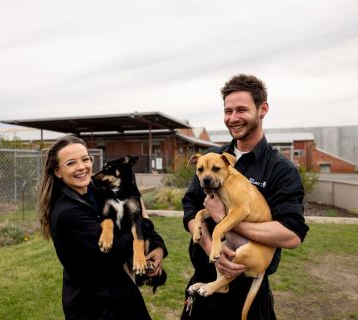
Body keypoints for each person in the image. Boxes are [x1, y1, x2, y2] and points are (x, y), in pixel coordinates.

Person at [181, 74, 309, 319]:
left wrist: (226, 219)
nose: (233, 118)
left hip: (248, 288)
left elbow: (292, 234)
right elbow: (189, 209)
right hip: (205, 283)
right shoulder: (210, 159)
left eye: (242, 110)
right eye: (228, 111)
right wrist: (212, 249)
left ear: (263, 110)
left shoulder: (281, 170)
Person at [38, 135, 167, 320]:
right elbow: (114, 252)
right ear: (58, 171)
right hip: (96, 306)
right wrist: (145, 224)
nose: (82, 167)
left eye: (85, 159)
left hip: (119, 295)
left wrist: (157, 246)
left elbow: (133, 205)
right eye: (71, 163)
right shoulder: (68, 213)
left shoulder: (95, 190)